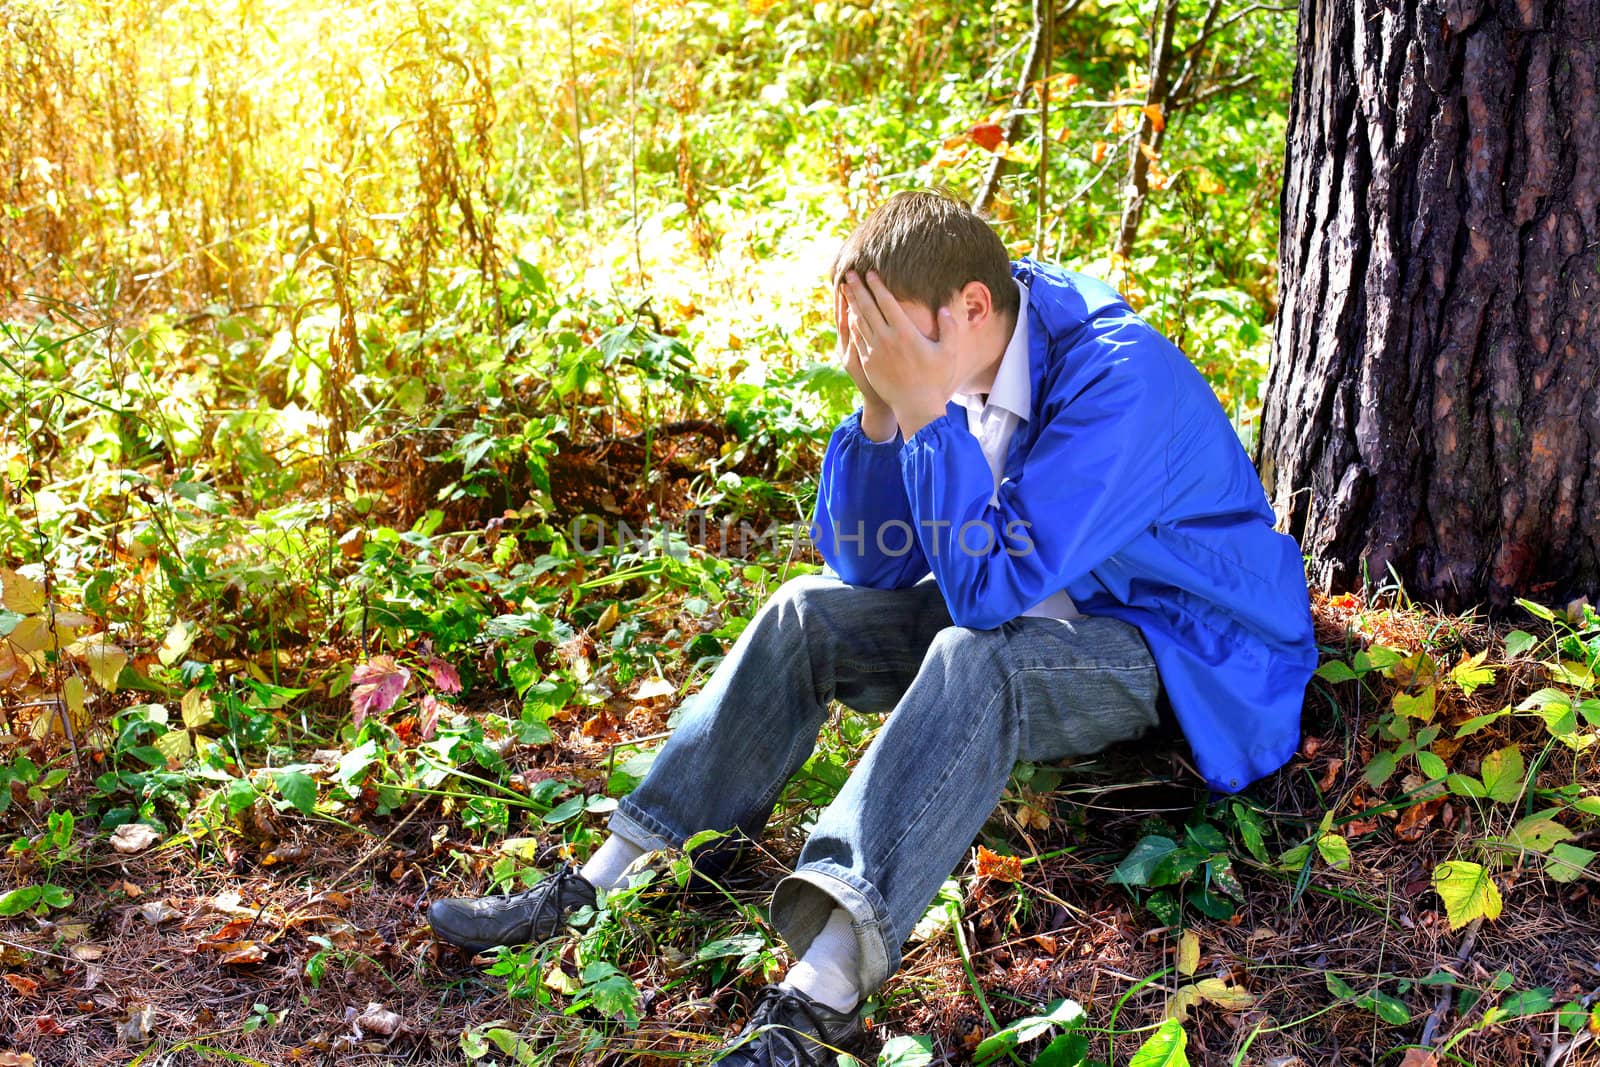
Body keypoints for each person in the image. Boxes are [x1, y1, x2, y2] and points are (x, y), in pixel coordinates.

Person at [427, 190, 1318, 1064]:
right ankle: (613, 874)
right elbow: (868, 562)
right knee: (805, 612)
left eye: (892, 332)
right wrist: (884, 409)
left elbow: (988, 592)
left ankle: (821, 996)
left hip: (1178, 644)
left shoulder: (1119, 380)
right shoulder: (958, 352)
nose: (881, 349)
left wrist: (927, 411)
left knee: (979, 658)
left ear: (972, 304)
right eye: (867, 333)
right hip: (1047, 603)